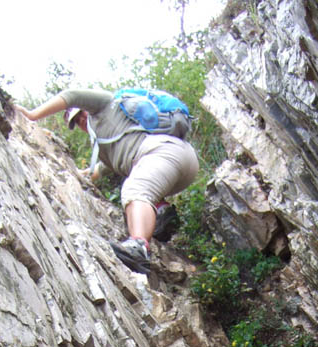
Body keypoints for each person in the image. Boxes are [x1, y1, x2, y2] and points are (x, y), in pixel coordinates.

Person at [16, 89, 199, 274]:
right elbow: (101, 170)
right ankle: (161, 214)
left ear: (87, 107)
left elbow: (72, 95)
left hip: (164, 152)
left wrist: (32, 115)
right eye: (76, 121)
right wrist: (76, 173)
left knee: (135, 190)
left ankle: (138, 246)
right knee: (141, 182)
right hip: (178, 161)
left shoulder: (105, 105)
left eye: (81, 113)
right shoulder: (107, 142)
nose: (81, 120)